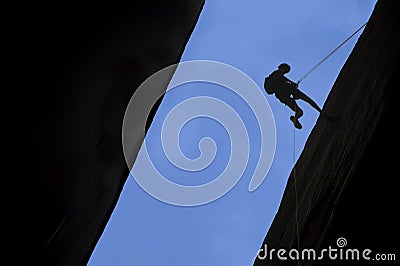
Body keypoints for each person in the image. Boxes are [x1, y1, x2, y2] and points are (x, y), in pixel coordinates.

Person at [264, 63, 322, 129]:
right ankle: (320, 111)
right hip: (286, 90)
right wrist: (292, 83)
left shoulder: (276, 76)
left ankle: (295, 119)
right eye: (286, 69)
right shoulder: (277, 73)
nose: (286, 71)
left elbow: (282, 79)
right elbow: (282, 78)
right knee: (306, 99)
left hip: (282, 95)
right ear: (283, 67)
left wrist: (292, 84)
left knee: (300, 111)